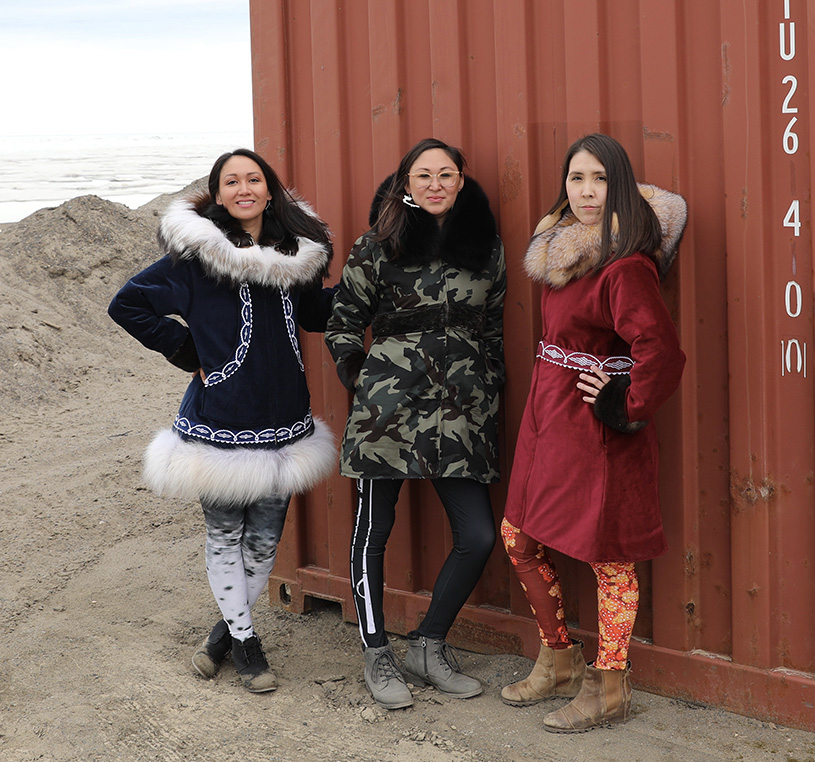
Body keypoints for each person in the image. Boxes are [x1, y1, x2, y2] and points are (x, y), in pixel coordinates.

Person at [108, 148, 337, 693]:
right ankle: (250, 648)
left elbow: (311, 315)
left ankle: (222, 638)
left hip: (284, 422)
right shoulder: (198, 257)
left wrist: (365, 293)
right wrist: (190, 352)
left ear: (269, 188)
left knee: (263, 543)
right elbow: (128, 304)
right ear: (217, 193)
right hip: (219, 422)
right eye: (230, 181)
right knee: (224, 535)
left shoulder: (294, 255)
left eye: (253, 179)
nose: (243, 189)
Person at [501, 133, 687, 732]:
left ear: (621, 187)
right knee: (519, 538)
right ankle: (558, 658)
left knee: (610, 559)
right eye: (576, 178)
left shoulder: (626, 264)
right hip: (546, 418)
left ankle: (610, 687)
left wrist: (623, 401)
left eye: (600, 179)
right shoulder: (564, 255)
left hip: (598, 434)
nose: (586, 191)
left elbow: (659, 349)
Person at [325, 138, 506, 710]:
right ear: (407, 183)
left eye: (445, 174)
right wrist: (361, 378)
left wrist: (488, 384)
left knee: (477, 537)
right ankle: (376, 651)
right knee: (372, 534)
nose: (434, 184)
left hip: (459, 415)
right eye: (423, 174)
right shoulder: (378, 247)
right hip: (389, 412)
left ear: (459, 181)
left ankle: (428, 645)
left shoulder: (487, 250)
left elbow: (494, 328)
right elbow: (343, 323)